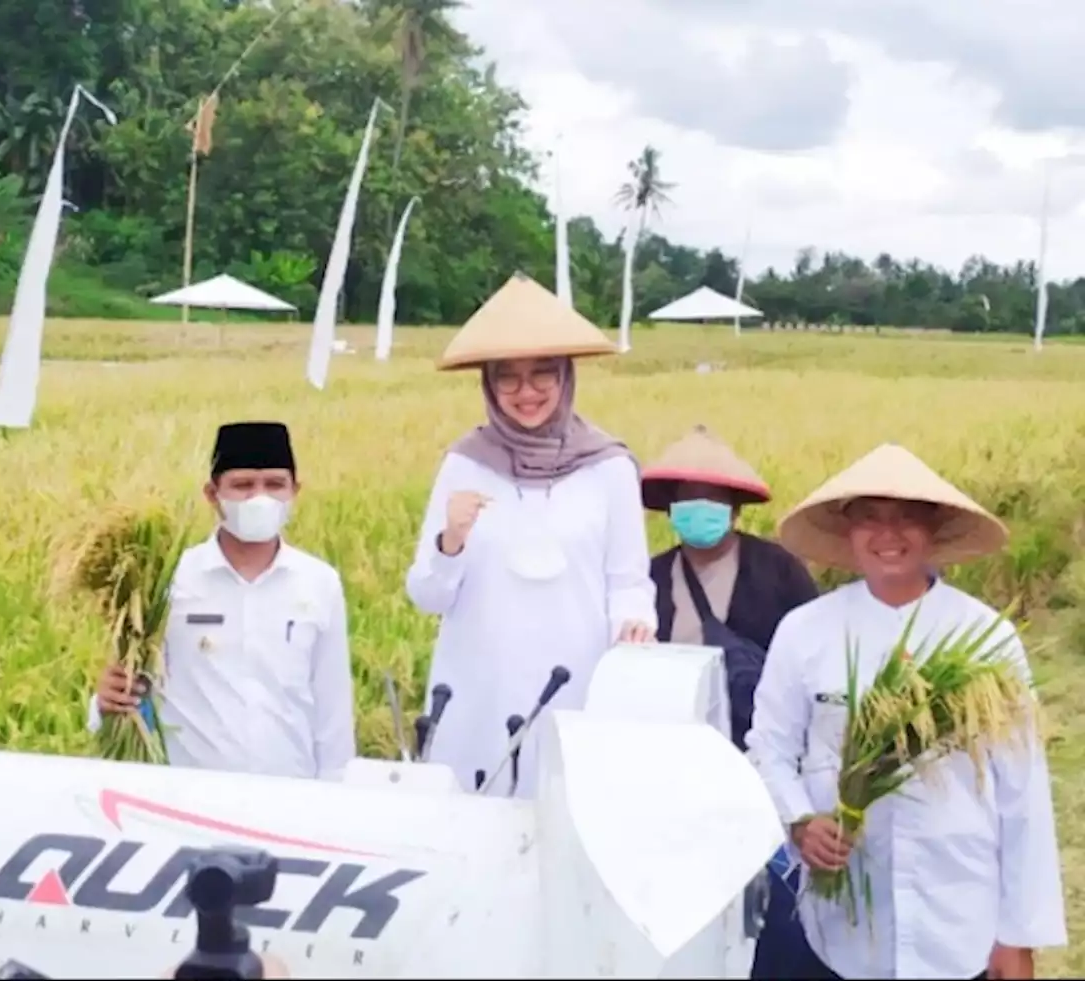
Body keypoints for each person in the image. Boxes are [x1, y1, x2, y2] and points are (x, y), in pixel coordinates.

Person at [747, 442, 1067, 980]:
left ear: (935, 531)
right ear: (848, 532)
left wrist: (1017, 933)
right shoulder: (806, 631)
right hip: (840, 920)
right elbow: (769, 746)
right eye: (870, 519)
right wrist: (801, 820)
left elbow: (1023, 791)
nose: (888, 535)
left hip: (958, 908)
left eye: (907, 519)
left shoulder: (985, 637)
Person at [406, 271, 656, 799]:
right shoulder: (465, 463)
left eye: (543, 374)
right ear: (489, 386)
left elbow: (629, 580)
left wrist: (634, 623)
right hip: (479, 679)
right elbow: (427, 595)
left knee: (564, 811)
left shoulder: (609, 466)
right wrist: (450, 541)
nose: (527, 393)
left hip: (575, 678)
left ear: (566, 377)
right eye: (508, 378)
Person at [640, 423, 818, 980]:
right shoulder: (649, 576)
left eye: (713, 500)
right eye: (687, 500)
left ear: (736, 509)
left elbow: (807, 657)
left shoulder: (778, 570)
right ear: (670, 509)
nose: (700, 511)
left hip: (752, 745)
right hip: (672, 748)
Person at [90, 421, 357, 781]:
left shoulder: (318, 582)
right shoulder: (169, 582)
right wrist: (105, 702)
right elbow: (130, 686)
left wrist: (337, 795)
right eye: (243, 485)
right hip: (193, 794)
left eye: (274, 485)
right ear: (212, 494)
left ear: (295, 491)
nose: (259, 498)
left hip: (293, 795)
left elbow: (333, 711)